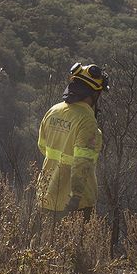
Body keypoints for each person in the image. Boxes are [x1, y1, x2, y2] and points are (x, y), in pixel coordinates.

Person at [36, 62, 107, 219]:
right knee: (75, 244)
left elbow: (42, 146)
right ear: (95, 94)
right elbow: (83, 163)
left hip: (46, 195)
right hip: (75, 204)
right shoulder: (87, 120)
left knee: (43, 242)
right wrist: (75, 198)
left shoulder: (53, 110)